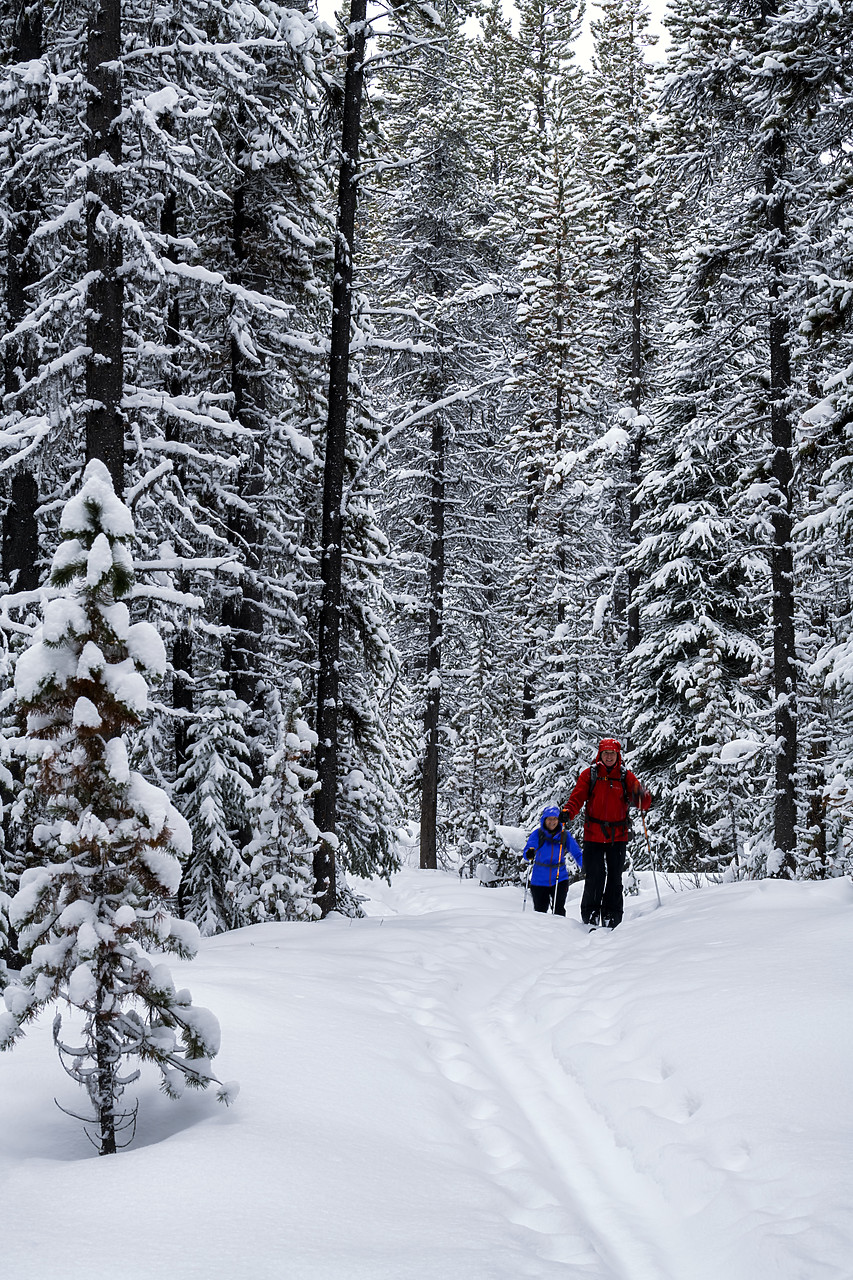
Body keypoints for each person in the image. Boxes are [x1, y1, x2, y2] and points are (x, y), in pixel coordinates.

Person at [561, 738, 652, 929]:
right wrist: (568, 812)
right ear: (600, 755)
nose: (609, 756)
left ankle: (612, 915)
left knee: (614, 876)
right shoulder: (590, 775)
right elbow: (577, 797)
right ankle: (591, 914)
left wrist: (643, 798)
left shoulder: (625, 776)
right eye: (606, 753)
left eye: (612, 753)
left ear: (618, 755)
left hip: (617, 835)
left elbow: (641, 799)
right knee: (594, 875)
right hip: (593, 834)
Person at [522, 805, 583, 916]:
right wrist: (529, 853)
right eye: (549, 819)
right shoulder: (537, 834)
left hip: (559, 878)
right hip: (539, 880)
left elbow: (577, 853)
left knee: (559, 911)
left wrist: (587, 866)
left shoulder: (564, 836)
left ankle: (559, 932)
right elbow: (528, 850)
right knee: (540, 913)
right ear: (544, 820)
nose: (552, 822)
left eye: (555, 819)